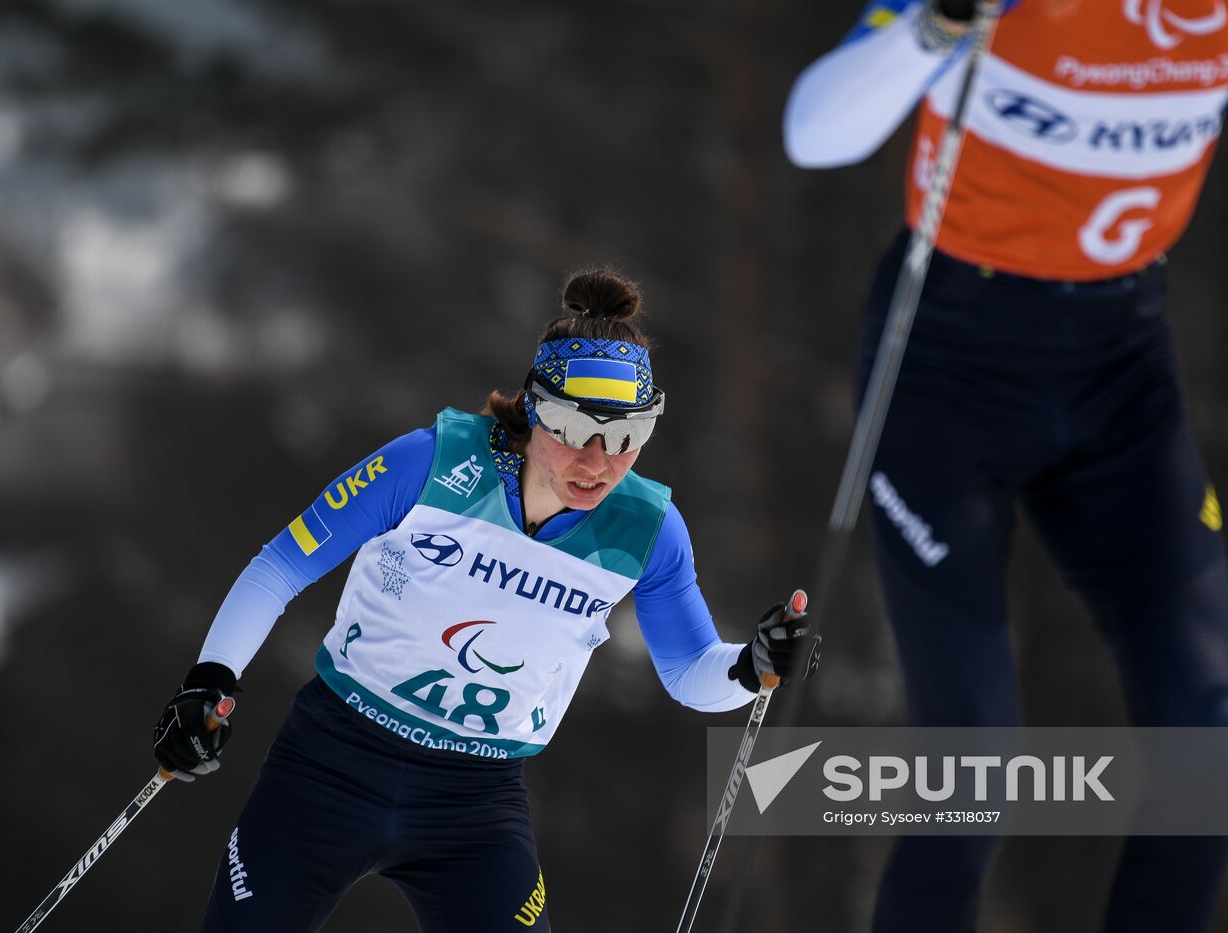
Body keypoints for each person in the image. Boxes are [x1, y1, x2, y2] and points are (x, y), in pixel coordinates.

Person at [784, 1, 1228, 931]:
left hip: (1119, 361)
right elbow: (815, 134)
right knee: (972, 761)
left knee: (1207, 733)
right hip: (945, 357)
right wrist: (937, 29)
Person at [150, 268, 818, 933]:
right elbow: (280, 566)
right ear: (534, 409)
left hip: (474, 805)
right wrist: (208, 682)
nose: (598, 461)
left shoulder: (648, 531)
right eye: (575, 428)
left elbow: (692, 672)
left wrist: (754, 663)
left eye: (626, 437)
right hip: (333, 763)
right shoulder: (431, 463)